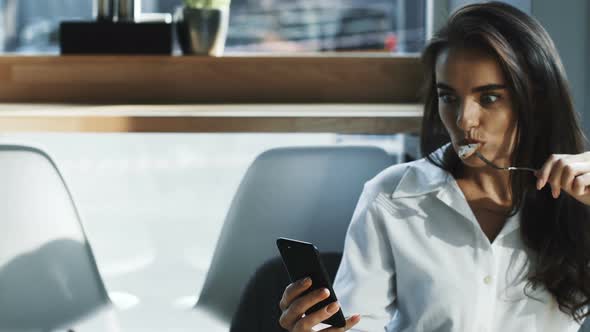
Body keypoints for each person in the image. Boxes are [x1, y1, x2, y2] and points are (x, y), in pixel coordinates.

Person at [278, 2, 590, 331]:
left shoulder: (577, 199)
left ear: (535, 99)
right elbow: (355, 324)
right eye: (449, 97)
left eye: (489, 98)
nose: (463, 120)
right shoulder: (391, 197)